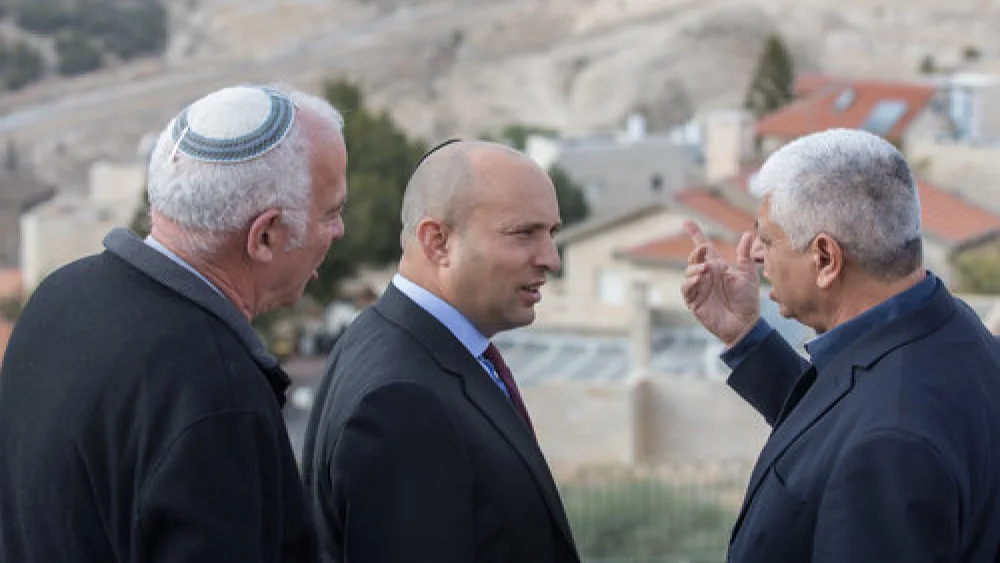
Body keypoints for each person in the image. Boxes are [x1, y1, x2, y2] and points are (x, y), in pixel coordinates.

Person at [0, 84, 347, 561]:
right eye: (331, 213)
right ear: (265, 235)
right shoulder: (217, 392)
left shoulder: (59, 296)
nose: (339, 231)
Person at [681, 128, 1000, 562]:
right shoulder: (946, 331)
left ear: (826, 258)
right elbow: (849, 413)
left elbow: (875, 433)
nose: (755, 253)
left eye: (768, 239)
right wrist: (746, 338)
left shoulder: (889, 448)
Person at [301, 140, 581, 563]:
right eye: (524, 233)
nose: (551, 259)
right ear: (437, 242)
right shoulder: (402, 401)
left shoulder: (394, 340)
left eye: (552, 233)